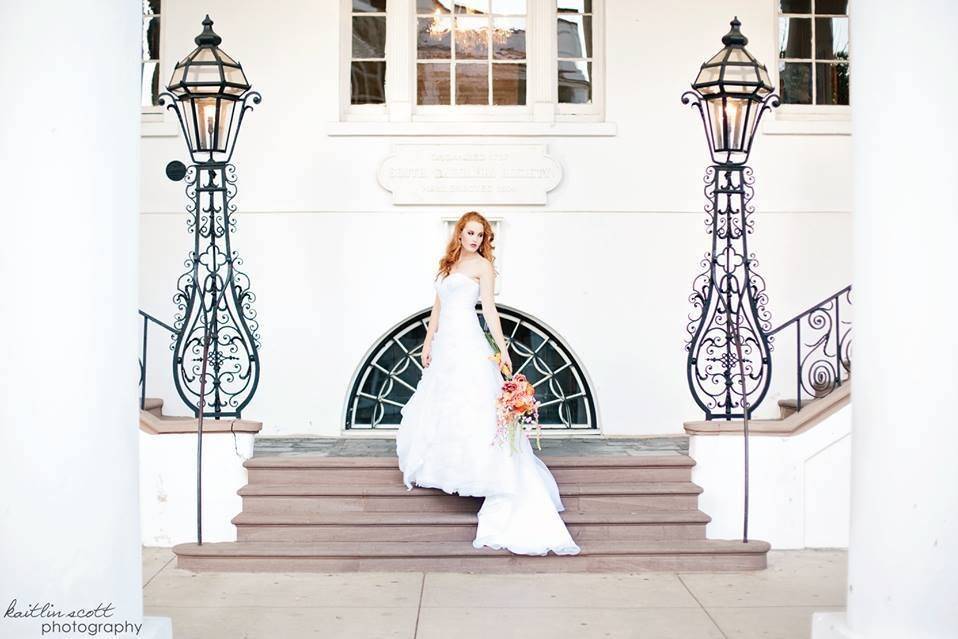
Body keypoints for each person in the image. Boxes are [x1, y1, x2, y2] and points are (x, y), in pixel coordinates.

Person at [396, 211, 580, 556]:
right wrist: (427, 341)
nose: (475, 239)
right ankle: (442, 465)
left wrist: (503, 349)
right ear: (459, 234)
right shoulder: (446, 265)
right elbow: (437, 306)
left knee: (473, 401)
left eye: (480, 235)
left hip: (467, 339)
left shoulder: (483, 267)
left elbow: (491, 311)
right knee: (443, 402)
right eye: (470, 232)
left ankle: (481, 470)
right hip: (445, 342)